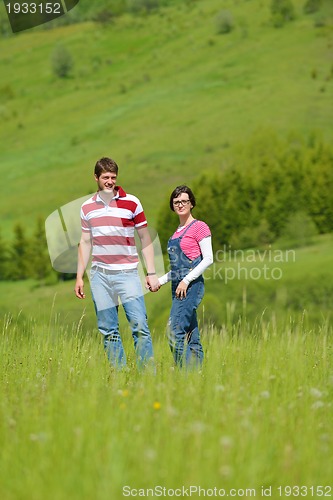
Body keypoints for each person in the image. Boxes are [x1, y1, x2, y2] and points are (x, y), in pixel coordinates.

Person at [74, 157, 160, 369]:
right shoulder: (86, 207)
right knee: (108, 329)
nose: (110, 181)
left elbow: (145, 238)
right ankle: (119, 377)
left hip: (128, 273)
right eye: (105, 177)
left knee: (139, 325)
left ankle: (148, 378)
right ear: (96, 178)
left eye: (113, 177)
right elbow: (85, 242)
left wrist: (151, 272)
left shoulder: (132, 202)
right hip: (100, 276)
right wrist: (79, 277)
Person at [157, 185, 213, 368]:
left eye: (184, 201)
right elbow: (177, 269)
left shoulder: (199, 227)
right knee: (191, 333)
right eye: (176, 202)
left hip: (191, 286)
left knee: (174, 331)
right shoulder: (176, 232)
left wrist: (186, 280)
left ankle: (185, 373)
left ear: (191, 203)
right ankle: (197, 374)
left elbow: (208, 259)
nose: (180, 205)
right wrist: (160, 281)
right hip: (177, 287)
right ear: (172, 206)